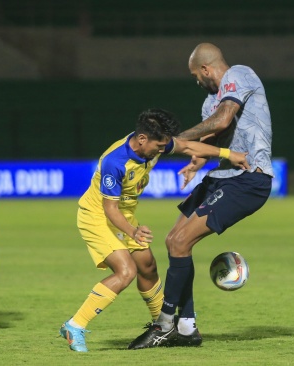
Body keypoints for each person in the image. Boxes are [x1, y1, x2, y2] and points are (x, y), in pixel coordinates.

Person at [59, 108, 250, 352]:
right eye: (159, 146)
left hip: (123, 217)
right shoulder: (115, 162)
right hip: (97, 217)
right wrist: (133, 231)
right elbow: (110, 208)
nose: (162, 150)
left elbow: (189, 147)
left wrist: (228, 153)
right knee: (126, 271)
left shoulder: (154, 143)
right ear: (142, 140)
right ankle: (75, 325)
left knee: (147, 266)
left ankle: (163, 325)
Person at [128, 43, 274, 349]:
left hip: (249, 178)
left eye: (196, 74)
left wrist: (170, 141)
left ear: (206, 69)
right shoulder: (210, 102)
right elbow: (214, 135)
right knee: (173, 241)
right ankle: (186, 326)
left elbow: (222, 121)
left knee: (181, 242)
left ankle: (164, 324)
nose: (197, 81)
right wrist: (196, 160)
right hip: (222, 177)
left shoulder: (240, 74)